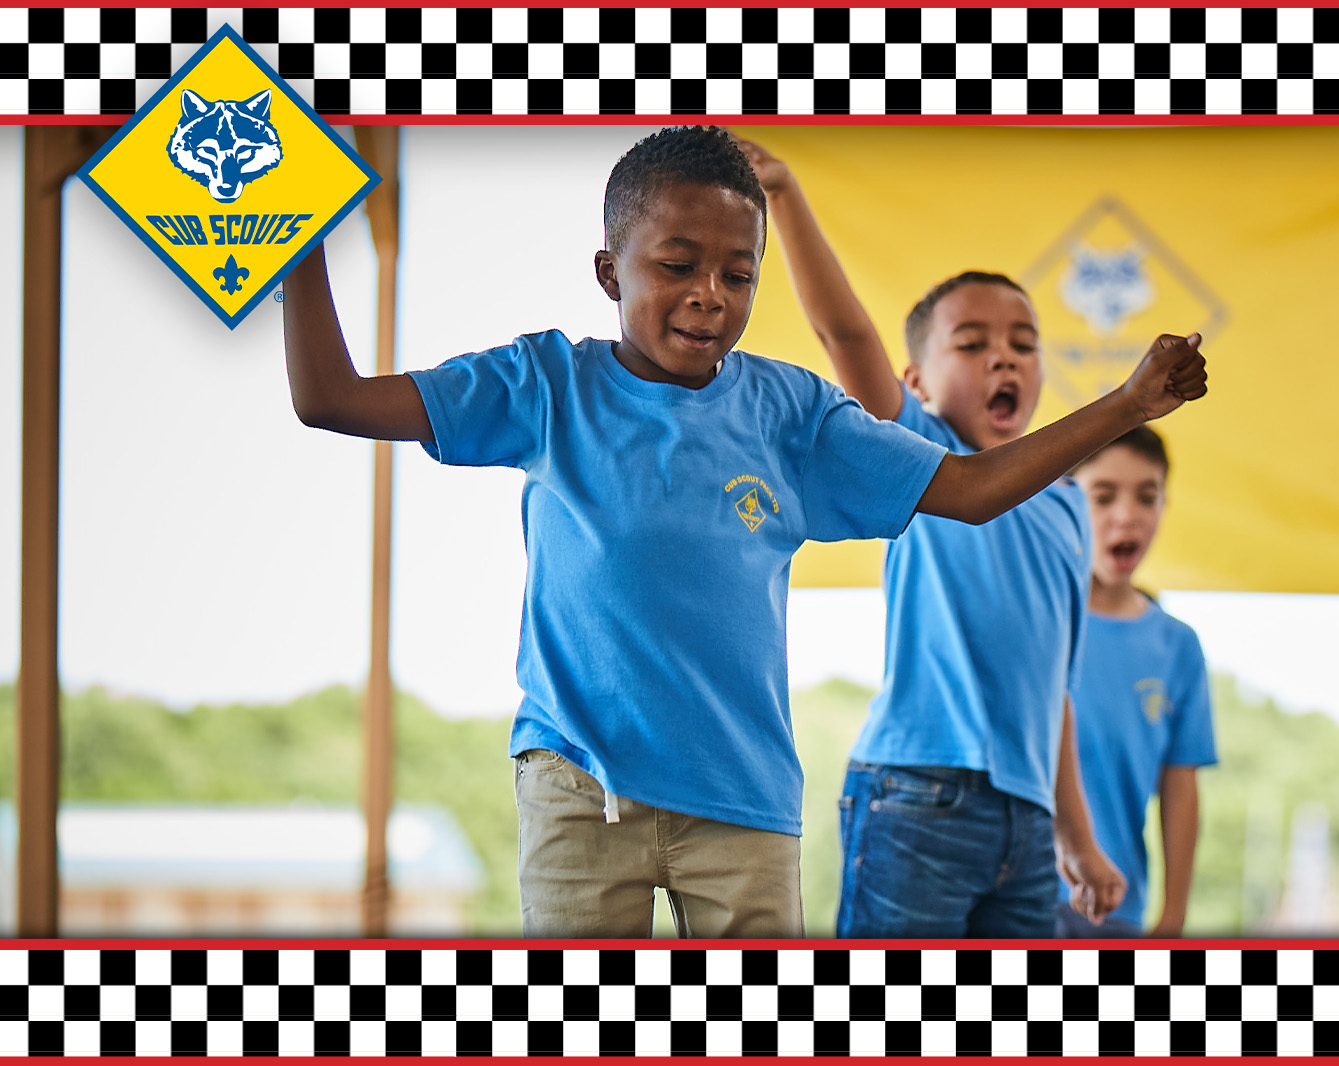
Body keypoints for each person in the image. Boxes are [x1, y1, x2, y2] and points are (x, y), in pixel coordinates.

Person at [280, 126, 1208, 938]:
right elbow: (332, 398)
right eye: (676, 266)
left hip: (746, 803)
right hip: (577, 789)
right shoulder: (544, 386)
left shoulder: (791, 413)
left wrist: (1128, 402)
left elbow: (966, 490)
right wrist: (296, 241)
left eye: (737, 274)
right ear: (610, 269)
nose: (709, 295)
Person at [745, 138, 1137, 937]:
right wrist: (784, 192)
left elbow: (1050, 689)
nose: (1005, 356)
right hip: (917, 796)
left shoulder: (1068, 508)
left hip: (1027, 827)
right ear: (916, 382)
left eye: (1023, 344)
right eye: (972, 343)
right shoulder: (921, 452)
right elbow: (845, 336)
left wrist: (1077, 837)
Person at [1053, 427, 1217, 939]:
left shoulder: (1177, 645)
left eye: (1147, 496)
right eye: (1103, 496)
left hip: (1118, 904)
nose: (1127, 514)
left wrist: (1173, 914)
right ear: (1065, 502)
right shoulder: (1044, 617)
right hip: (1024, 894)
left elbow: (1181, 784)